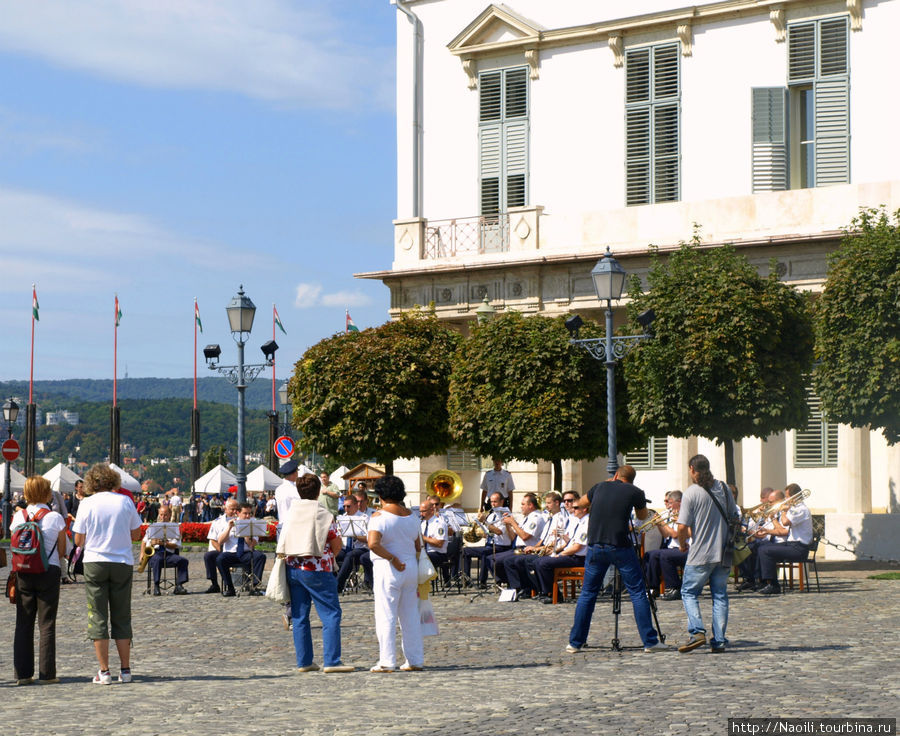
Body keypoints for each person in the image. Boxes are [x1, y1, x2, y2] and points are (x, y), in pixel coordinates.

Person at [567, 466, 668, 653]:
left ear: (615, 476)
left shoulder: (599, 487)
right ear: (632, 479)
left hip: (596, 545)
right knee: (637, 592)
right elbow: (642, 516)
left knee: (588, 593)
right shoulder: (635, 492)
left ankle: (575, 642)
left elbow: (581, 503)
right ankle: (650, 642)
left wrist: (603, 487)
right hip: (620, 545)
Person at [72, 463, 143, 684]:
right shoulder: (125, 501)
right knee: (122, 615)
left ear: (91, 483)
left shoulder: (87, 503)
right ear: (114, 481)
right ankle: (126, 670)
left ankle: (104, 672)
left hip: (95, 561)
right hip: (121, 560)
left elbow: (78, 540)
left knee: (97, 615)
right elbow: (136, 535)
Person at [279, 473, 353, 673]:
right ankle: (332, 661)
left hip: (294, 567)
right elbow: (336, 543)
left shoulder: (291, 513)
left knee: (300, 616)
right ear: (319, 491)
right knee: (330, 613)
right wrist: (327, 558)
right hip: (318, 569)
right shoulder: (323, 513)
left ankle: (304, 662)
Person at [675, 454, 741, 654]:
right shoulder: (723, 487)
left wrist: (682, 543)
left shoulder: (691, 493)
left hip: (701, 553)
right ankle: (719, 640)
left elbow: (681, 526)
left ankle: (697, 632)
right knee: (720, 595)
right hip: (723, 552)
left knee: (689, 592)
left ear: (692, 470)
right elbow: (734, 516)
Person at [12, 476, 68, 685]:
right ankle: (47, 673)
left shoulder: (19, 518)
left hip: (23, 573)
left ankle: (23, 674)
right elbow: (63, 550)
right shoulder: (54, 518)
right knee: (47, 624)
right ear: (47, 494)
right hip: (48, 571)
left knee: (23, 623)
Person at [366, 475, 424, 673]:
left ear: (381, 495)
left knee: (386, 615)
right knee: (410, 616)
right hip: (410, 568)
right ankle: (415, 659)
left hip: (387, 567)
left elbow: (373, 543)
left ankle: (387, 660)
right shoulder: (412, 516)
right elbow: (418, 545)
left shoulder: (379, 517)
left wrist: (392, 558)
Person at [755, 484, 814, 595]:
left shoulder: (801, 509)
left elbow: (785, 522)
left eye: (787, 497)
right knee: (763, 547)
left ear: (794, 497)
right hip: (791, 545)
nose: (786, 500)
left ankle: (773, 585)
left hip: (799, 549)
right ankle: (765, 582)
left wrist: (783, 510)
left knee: (765, 551)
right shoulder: (795, 509)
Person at [462, 492, 513, 587]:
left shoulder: (505, 514)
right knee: (465, 551)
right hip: (490, 544)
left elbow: (498, 531)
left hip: (501, 546)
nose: (493, 504)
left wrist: (485, 522)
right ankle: (467, 580)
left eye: (495, 502)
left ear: (502, 501)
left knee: (485, 553)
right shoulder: (491, 514)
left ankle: (483, 581)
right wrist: (479, 532)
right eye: (491, 502)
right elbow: (488, 533)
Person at [216, 502, 266, 596]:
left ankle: (254, 586)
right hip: (231, 553)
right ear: (238, 513)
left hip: (246, 553)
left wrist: (246, 532)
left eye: (249, 513)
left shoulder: (253, 524)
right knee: (220, 559)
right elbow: (220, 541)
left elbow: (253, 544)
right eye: (245, 513)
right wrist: (229, 528)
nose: (248, 516)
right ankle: (230, 588)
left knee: (260, 557)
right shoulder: (229, 522)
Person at [141, 505, 189, 595]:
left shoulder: (174, 528)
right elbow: (144, 541)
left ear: (170, 515)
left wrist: (163, 543)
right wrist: (143, 553)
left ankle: (179, 585)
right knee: (157, 559)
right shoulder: (152, 527)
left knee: (183, 561)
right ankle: (156, 586)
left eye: (165, 515)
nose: (163, 517)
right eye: (161, 515)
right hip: (155, 554)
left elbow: (176, 545)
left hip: (169, 554)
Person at [335, 494, 374, 593]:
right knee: (332, 555)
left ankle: (338, 586)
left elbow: (370, 538)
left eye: (348, 506)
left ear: (356, 506)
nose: (346, 509)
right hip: (345, 547)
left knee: (350, 555)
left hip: (361, 548)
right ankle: (329, 583)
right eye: (344, 506)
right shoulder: (341, 518)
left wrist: (355, 535)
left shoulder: (364, 518)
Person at [419, 498, 450, 587]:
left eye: (423, 511)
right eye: (420, 511)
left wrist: (423, 538)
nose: (421, 514)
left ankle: (425, 582)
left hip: (438, 554)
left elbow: (439, 544)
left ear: (431, 510)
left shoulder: (439, 523)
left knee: (422, 557)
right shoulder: (423, 523)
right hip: (426, 552)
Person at [275, 459, 300, 524]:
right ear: (294, 474)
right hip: (292, 525)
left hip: (282, 524)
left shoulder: (278, 489)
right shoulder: (295, 489)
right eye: (297, 472)